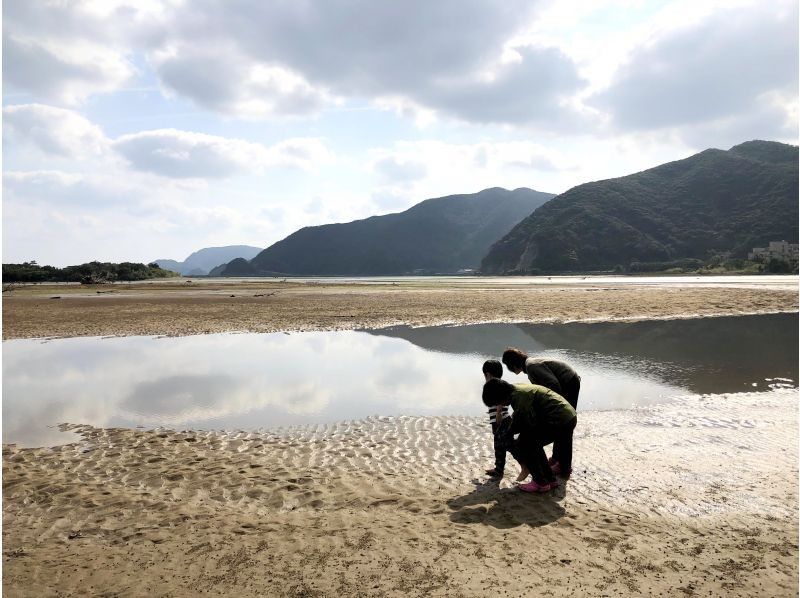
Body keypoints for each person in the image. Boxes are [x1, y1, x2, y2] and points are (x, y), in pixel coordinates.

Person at [482, 378, 576, 493]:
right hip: (567, 416)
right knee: (533, 442)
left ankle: (540, 483)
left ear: (501, 396)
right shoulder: (516, 390)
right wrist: (511, 430)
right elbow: (522, 418)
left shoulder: (519, 397)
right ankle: (550, 479)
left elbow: (527, 422)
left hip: (560, 419)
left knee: (525, 443)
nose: (499, 405)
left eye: (497, 402)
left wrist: (510, 433)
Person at [502, 348, 580, 476]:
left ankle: (564, 466)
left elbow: (553, 385)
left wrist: (551, 405)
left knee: (564, 422)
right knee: (562, 422)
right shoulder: (530, 365)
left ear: (513, 364)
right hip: (568, 382)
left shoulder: (532, 366)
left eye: (508, 366)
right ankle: (556, 459)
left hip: (569, 383)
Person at [482, 360, 529, 482]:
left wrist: (498, 415)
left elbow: (500, 406)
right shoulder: (494, 386)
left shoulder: (497, 387)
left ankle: (524, 466)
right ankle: (498, 469)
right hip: (499, 421)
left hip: (502, 420)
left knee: (508, 444)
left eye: (485, 376)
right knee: (498, 446)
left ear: (488, 374)